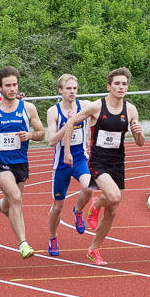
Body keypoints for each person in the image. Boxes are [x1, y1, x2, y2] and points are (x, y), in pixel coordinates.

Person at [62, 67, 144, 265]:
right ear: (109, 86)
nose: (121, 87)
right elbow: (72, 121)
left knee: (113, 210)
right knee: (113, 197)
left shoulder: (131, 109)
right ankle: (95, 204)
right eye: (117, 83)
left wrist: (138, 132)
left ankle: (93, 249)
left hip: (118, 161)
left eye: (124, 84)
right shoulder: (97, 107)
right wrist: (66, 151)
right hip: (98, 161)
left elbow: (140, 142)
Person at [0, 66, 45, 259]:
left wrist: (30, 134)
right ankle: (23, 244)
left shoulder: (28, 108)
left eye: (15, 84)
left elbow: (41, 134)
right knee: (16, 198)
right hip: (0, 163)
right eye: (8, 85)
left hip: (20, 162)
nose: (12, 89)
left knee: (8, 207)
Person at [46, 74, 94, 256]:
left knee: (89, 187)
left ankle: (78, 210)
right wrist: (68, 124)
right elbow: (51, 141)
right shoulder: (53, 111)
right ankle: (53, 237)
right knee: (57, 206)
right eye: (68, 88)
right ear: (60, 90)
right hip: (61, 163)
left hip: (80, 158)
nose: (72, 92)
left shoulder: (85, 106)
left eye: (74, 88)